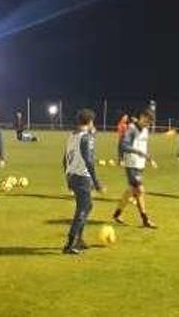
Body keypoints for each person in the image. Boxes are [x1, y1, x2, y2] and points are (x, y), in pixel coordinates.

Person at [63, 109, 104, 255]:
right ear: (90, 122)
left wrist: (67, 176)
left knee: (88, 206)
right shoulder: (86, 138)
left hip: (73, 176)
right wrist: (96, 181)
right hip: (82, 177)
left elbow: (64, 158)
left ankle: (79, 239)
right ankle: (70, 244)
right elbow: (89, 161)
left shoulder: (72, 136)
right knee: (82, 208)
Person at [113, 107, 157, 228]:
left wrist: (149, 158)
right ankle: (145, 219)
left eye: (149, 122)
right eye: (146, 121)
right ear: (141, 117)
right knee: (140, 190)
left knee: (131, 191)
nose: (147, 124)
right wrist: (139, 153)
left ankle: (117, 214)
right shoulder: (132, 129)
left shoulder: (146, 130)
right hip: (131, 164)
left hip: (140, 164)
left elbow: (143, 146)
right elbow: (124, 146)